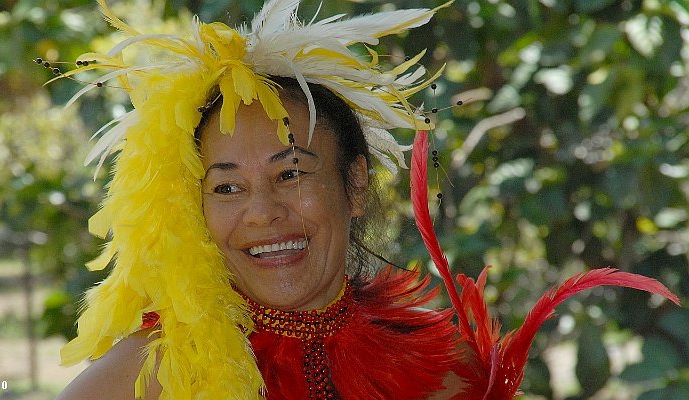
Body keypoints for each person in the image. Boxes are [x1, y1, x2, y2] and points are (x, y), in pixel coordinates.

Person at [52, 1, 679, 399]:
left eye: (291, 173)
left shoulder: (445, 365)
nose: (261, 212)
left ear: (355, 186)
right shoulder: (150, 377)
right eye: (226, 187)